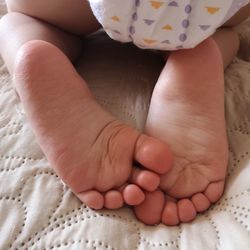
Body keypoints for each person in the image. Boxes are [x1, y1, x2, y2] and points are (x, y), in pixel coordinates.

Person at [0, 0, 249, 226]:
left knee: (21, 16)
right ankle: (201, 53)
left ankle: (31, 46)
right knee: (226, 31)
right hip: (205, 9)